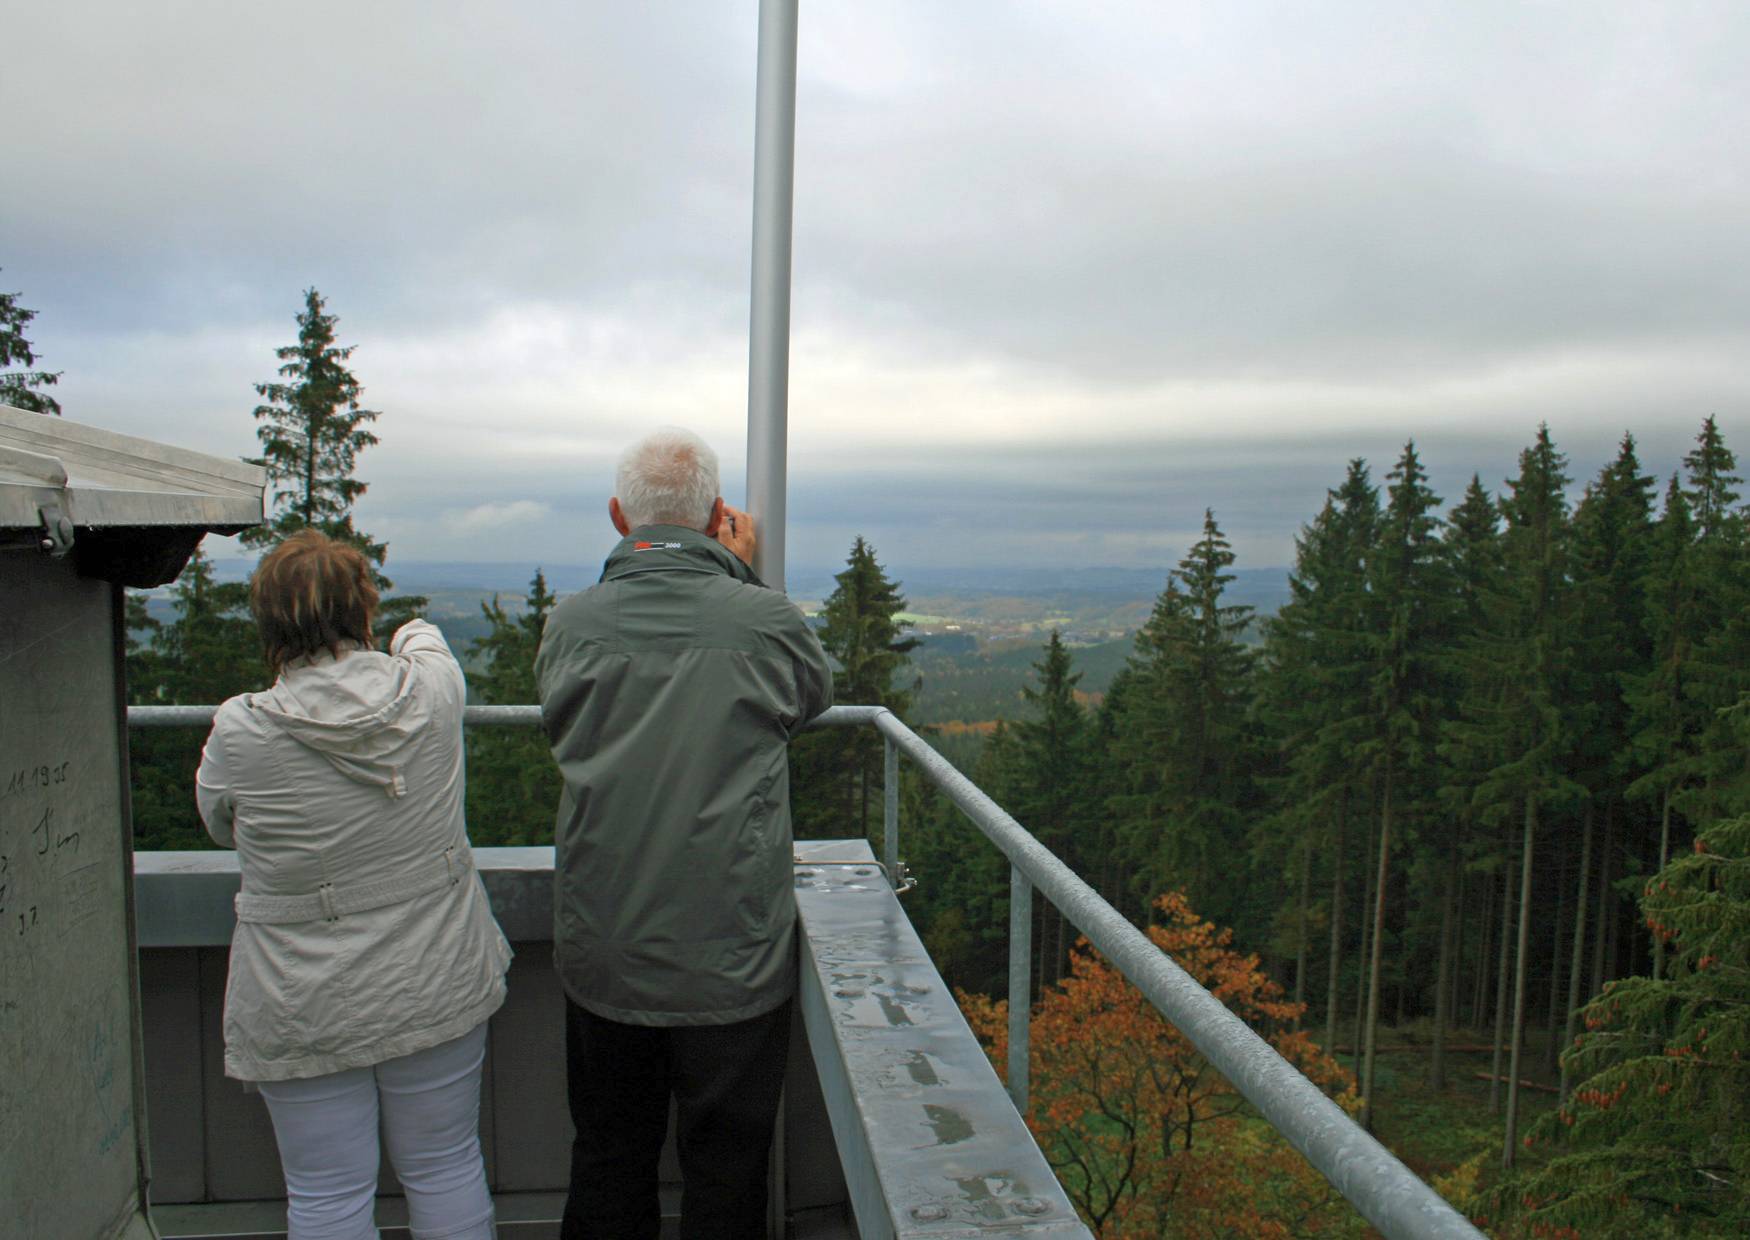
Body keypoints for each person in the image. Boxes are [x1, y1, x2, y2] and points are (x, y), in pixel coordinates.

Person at [536, 426, 833, 1240]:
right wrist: (747, 576)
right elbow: (809, 698)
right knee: (727, 1179)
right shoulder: (764, 622)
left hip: (605, 947)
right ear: (717, 519)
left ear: (616, 516)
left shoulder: (571, 624)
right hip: (730, 956)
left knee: (607, 1158)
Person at [196, 529, 512, 1240]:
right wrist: (409, 628)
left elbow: (219, 823)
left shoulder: (243, 730)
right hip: (434, 971)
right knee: (445, 1164)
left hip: (302, 989)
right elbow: (425, 641)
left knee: (327, 1194)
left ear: (271, 622)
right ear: (362, 607)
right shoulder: (430, 692)